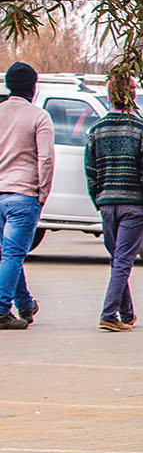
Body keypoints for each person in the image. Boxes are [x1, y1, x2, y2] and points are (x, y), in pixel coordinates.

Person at [84, 71, 143, 332]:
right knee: (123, 260)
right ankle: (108, 313)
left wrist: (99, 199)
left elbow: (90, 171)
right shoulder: (140, 129)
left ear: (108, 97)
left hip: (107, 204)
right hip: (134, 205)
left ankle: (126, 313)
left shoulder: (96, 130)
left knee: (118, 258)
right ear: (133, 96)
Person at [0, 62, 54, 330]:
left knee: (9, 254)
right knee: (12, 255)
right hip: (23, 195)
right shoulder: (39, 116)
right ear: (34, 87)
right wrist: (42, 192)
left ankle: (23, 304)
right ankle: (1, 309)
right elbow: (45, 159)